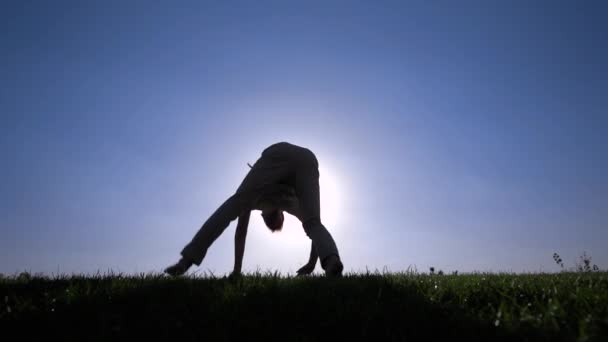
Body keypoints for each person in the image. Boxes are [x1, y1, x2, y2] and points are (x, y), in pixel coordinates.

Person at [164, 142, 344, 277]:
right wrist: (312, 263)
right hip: (306, 158)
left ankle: (185, 262)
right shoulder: (291, 204)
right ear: (280, 214)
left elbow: (240, 232)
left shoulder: (254, 200)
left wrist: (236, 271)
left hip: (276, 155)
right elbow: (315, 226)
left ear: (277, 216)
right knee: (312, 222)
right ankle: (332, 260)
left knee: (231, 207)